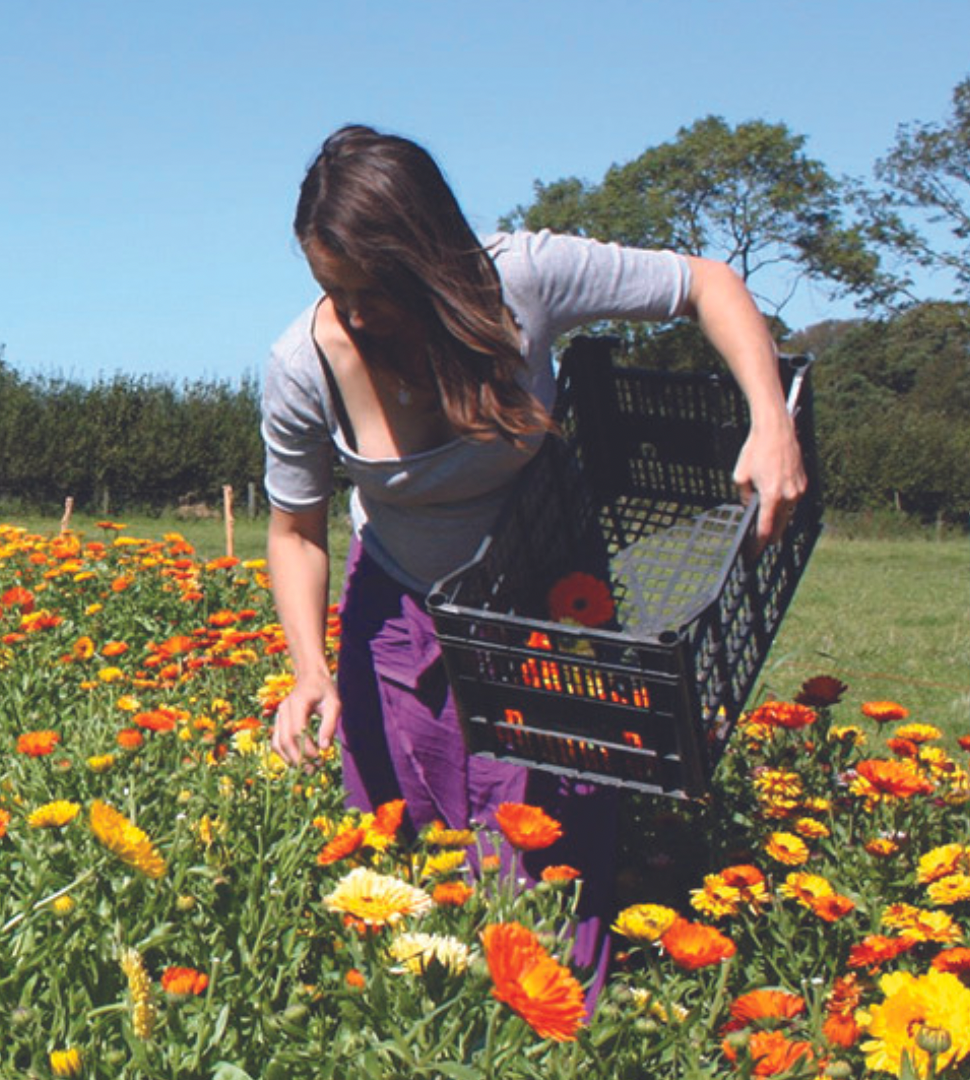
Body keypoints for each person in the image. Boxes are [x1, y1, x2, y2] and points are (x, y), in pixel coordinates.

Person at [262, 124, 806, 1008]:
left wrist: (770, 419)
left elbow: (708, 284)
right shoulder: (301, 368)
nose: (354, 314)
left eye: (375, 289)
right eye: (334, 290)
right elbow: (295, 532)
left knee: (546, 838)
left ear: (429, 260)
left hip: (547, 595)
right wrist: (310, 670)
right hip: (402, 606)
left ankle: (554, 1033)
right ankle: (427, 1042)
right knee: (413, 846)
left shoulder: (526, 277)